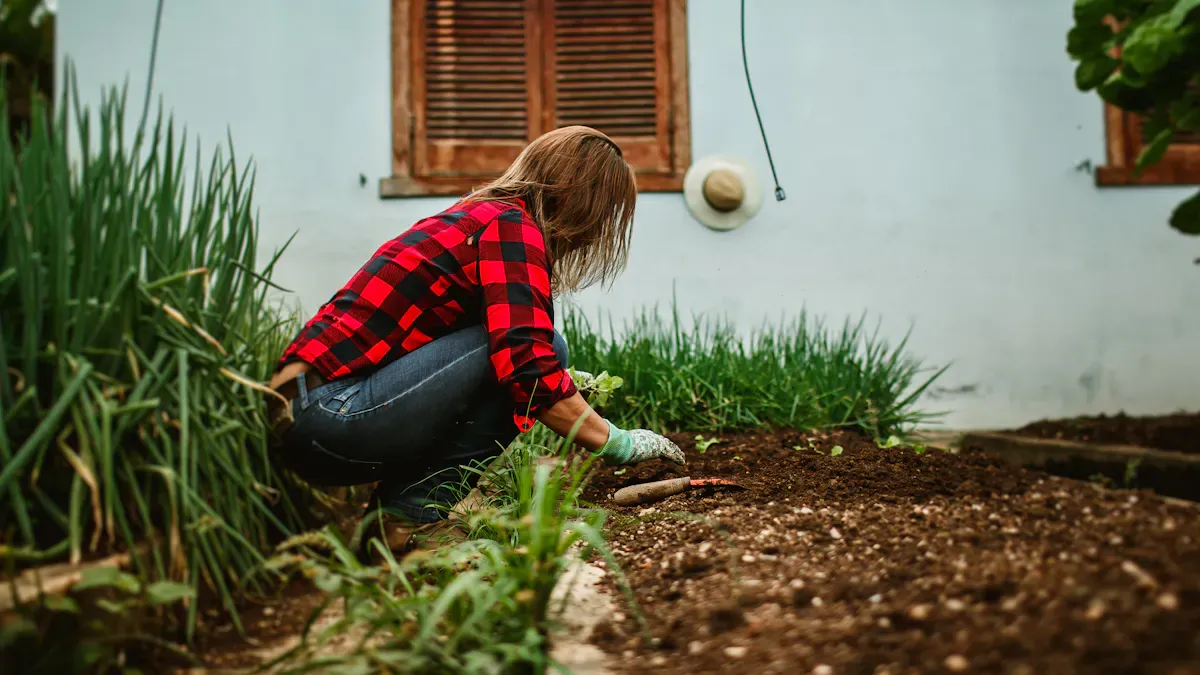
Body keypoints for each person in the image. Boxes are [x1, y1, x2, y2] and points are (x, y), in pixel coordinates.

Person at [266, 126, 685, 554]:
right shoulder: (509, 226)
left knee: (521, 357)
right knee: (537, 352)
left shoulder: (478, 218)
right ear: (581, 201)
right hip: (327, 414)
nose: (597, 234)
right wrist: (619, 442)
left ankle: (388, 537)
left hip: (311, 416)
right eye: (602, 215)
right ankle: (407, 526)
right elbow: (528, 363)